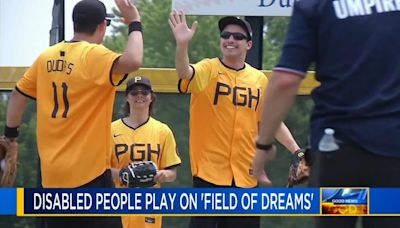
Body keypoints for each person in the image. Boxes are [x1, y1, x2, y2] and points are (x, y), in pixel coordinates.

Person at [252, 1, 400, 228]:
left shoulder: (316, 5)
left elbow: (285, 81)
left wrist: (263, 146)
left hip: (340, 153)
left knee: (339, 218)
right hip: (392, 155)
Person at [4, 0, 143, 227]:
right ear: (101, 26)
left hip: (52, 178)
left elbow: (18, 96)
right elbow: (134, 60)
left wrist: (11, 137)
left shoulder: (46, 57)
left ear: (75, 23)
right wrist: (134, 22)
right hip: (90, 177)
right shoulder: (94, 55)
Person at [169, 11, 301, 228]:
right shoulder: (209, 68)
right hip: (209, 175)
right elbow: (185, 72)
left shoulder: (259, 79)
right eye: (226, 35)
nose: (230, 40)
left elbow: (271, 121)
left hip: (246, 176)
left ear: (249, 44)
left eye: (238, 37)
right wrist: (182, 45)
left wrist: (297, 151)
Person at [109, 76, 181, 228]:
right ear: (127, 97)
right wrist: (123, 174)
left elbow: (172, 173)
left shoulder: (163, 131)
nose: (139, 95)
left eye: (144, 92)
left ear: (151, 98)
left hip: (149, 202)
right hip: (118, 202)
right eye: (134, 92)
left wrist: (163, 175)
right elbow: (100, 170)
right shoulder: (111, 130)